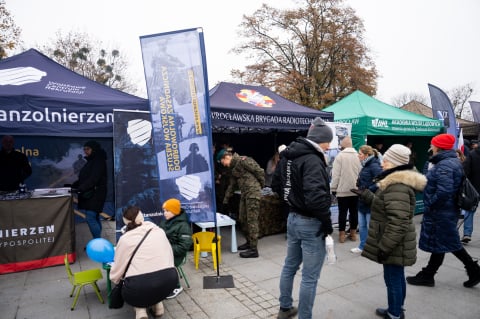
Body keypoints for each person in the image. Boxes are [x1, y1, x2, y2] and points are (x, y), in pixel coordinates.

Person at [354, 144, 426, 319]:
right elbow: (386, 207)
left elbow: (398, 222)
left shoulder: (397, 186)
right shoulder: (394, 182)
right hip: (396, 241)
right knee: (396, 276)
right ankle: (396, 308)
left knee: (393, 278)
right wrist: (367, 195)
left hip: (394, 243)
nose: (382, 163)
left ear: (395, 163)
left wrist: (384, 246)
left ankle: (394, 313)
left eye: (386, 160)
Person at [277, 117, 334, 319]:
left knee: (290, 265)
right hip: (310, 222)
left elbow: (278, 184)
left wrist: (292, 201)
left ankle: (285, 307)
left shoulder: (288, 156)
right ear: (321, 140)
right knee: (309, 277)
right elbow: (316, 198)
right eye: (328, 141)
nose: (329, 146)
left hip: (293, 218)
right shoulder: (312, 159)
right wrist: (327, 223)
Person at [407, 133, 480, 289]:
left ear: (438, 146)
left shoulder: (445, 165)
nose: (431, 147)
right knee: (442, 242)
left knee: (450, 242)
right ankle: (428, 275)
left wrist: (430, 205)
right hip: (445, 211)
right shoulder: (448, 162)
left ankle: (473, 270)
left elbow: (444, 191)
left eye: (433, 144)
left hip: (442, 212)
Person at [110, 206, 178, 319]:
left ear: (125, 222)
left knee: (141, 286)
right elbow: (169, 255)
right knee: (155, 283)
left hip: (138, 287)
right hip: (169, 281)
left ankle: (141, 312)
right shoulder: (159, 231)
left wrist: (114, 278)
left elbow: (119, 266)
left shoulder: (125, 239)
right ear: (142, 217)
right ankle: (158, 307)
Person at [220, 149, 265, 258]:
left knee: (251, 220)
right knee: (242, 218)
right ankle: (249, 242)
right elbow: (232, 185)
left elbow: (259, 171)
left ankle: (254, 249)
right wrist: (226, 199)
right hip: (244, 194)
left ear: (227, 157)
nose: (224, 165)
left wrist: (260, 186)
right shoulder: (234, 168)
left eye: (223, 162)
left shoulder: (243, 160)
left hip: (252, 193)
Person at [72, 140, 107, 239]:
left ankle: (97, 243)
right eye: (84, 149)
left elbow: (94, 179)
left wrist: (80, 189)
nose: (85, 151)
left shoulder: (98, 161)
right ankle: (98, 241)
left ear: (94, 149)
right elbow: (84, 178)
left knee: (90, 217)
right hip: (92, 193)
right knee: (94, 217)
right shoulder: (92, 161)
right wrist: (73, 186)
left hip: (96, 193)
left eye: (87, 149)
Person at [351, 145, 383, 254]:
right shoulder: (365, 165)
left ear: (366, 155)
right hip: (362, 201)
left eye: (359, 153)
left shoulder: (374, 165)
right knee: (362, 226)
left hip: (370, 201)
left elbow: (381, 181)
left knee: (371, 227)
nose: (358, 155)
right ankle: (362, 246)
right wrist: (359, 184)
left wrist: (368, 189)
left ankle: (374, 248)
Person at [158, 198, 192, 299]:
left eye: (167, 211)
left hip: (177, 255)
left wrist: (165, 250)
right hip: (164, 251)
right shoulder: (165, 222)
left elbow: (184, 247)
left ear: (175, 211)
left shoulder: (183, 226)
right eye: (164, 211)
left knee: (162, 263)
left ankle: (176, 287)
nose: (165, 213)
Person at [330, 136, 361, 243]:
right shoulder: (357, 156)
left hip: (342, 190)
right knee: (354, 212)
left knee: (342, 213)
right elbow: (360, 173)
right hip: (356, 190)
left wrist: (333, 188)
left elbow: (336, 175)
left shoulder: (340, 156)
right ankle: (353, 234)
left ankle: (342, 235)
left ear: (342, 146)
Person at [461, 144, 480, 244]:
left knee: (469, 210)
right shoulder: (472, 154)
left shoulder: (472, 154)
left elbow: (465, 171)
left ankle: (467, 234)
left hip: (473, 188)